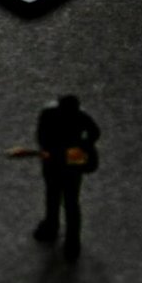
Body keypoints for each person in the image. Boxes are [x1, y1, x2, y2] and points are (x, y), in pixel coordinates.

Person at [30, 93, 100, 261]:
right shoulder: (80, 115)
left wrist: (52, 149)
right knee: (67, 200)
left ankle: (54, 228)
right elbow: (95, 132)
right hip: (70, 157)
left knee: (57, 196)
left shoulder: (49, 114)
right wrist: (83, 146)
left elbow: (41, 137)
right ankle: (70, 239)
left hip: (57, 158)